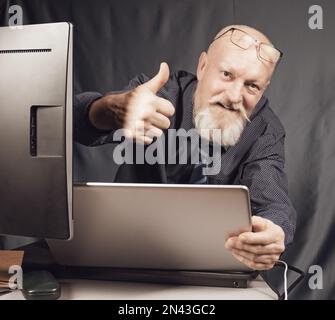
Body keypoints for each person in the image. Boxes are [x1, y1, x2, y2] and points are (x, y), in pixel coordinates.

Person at [74, 25, 297, 270]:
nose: (235, 96)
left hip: (212, 266)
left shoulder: (264, 129)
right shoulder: (159, 95)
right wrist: (110, 110)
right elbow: (69, 122)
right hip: (126, 251)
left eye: (252, 86)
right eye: (227, 75)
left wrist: (273, 232)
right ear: (202, 67)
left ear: (263, 90)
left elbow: (273, 200)